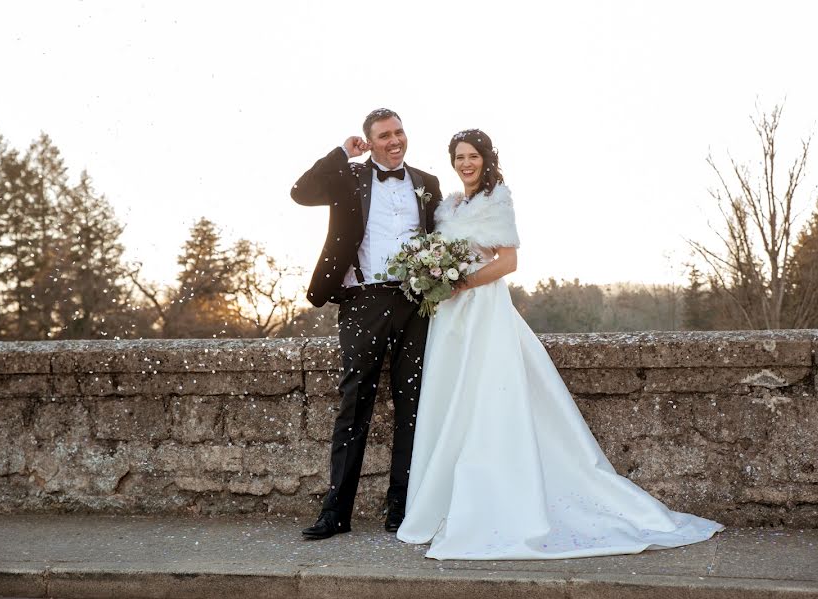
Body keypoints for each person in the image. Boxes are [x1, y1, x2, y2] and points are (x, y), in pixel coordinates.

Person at [396, 129, 723, 559]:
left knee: (486, 397)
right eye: (459, 157)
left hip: (482, 310)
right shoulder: (450, 205)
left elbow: (509, 261)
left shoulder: (498, 200)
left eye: (473, 156)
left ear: (486, 158)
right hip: (451, 316)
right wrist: (439, 279)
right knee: (450, 396)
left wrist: (461, 282)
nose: (466, 163)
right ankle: (442, 501)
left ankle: (496, 499)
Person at [291, 109, 442, 539]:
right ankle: (335, 513)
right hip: (363, 301)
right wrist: (340, 153)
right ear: (368, 141)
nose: (394, 140)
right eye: (383, 135)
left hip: (416, 303)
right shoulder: (348, 176)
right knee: (354, 404)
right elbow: (300, 193)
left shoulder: (427, 184)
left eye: (399, 132)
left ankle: (403, 509)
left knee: (412, 405)